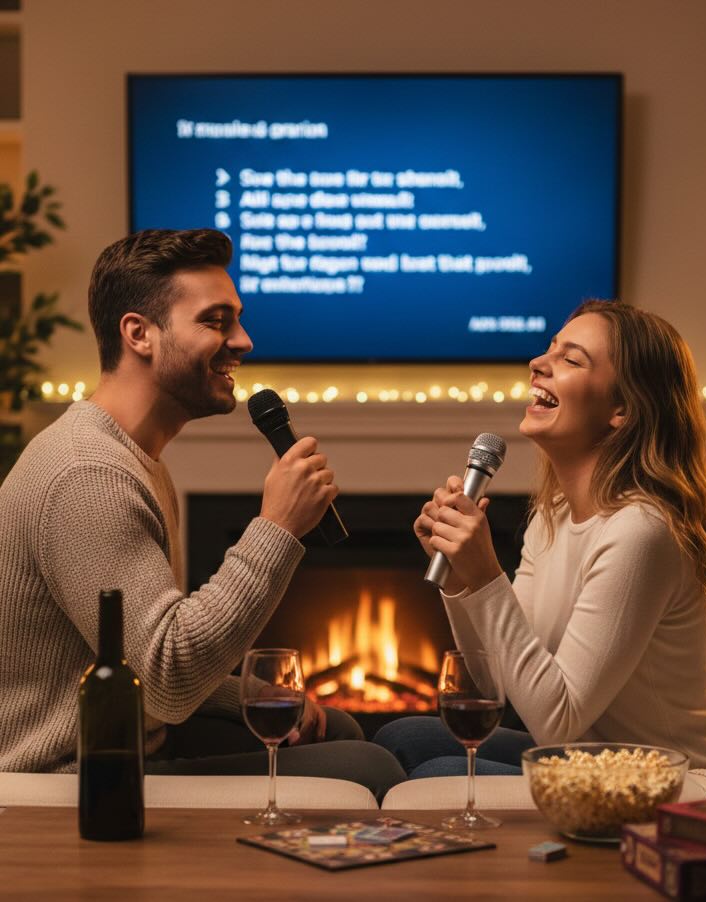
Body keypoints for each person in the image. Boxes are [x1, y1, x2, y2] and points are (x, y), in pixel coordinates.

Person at [0, 228, 404, 800]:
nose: (243, 341)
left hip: (131, 735)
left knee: (333, 727)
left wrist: (252, 696)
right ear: (139, 333)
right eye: (216, 321)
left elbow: (140, 665)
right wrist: (277, 528)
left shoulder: (136, 459)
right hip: (70, 776)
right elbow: (167, 675)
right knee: (369, 770)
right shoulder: (87, 476)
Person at [375, 300, 706, 777]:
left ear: (621, 408)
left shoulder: (641, 532)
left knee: (435, 771)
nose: (537, 364)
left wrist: (486, 576)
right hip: (590, 756)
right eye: (549, 350)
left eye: (570, 359)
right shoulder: (554, 515)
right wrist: (461, 581)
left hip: (661, 777)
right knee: (399, 738)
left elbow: (556, 722)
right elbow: (494, 682)